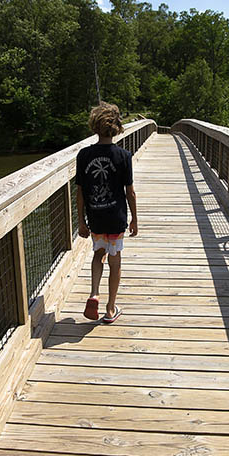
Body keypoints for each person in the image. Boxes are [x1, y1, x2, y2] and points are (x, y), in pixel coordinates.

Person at [75, 102, 138, 323]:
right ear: (117, 127)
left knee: (98, 254)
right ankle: (110, 309)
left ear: (94, 127)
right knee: (115, 260)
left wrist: (81, 221)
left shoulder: (83, 155)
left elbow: (80, 192)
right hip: (117, 217)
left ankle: (94, 293)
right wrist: (135, 220)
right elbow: (130, 193)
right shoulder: (123, 156)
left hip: (96, 217)